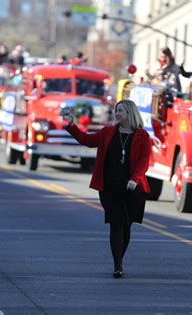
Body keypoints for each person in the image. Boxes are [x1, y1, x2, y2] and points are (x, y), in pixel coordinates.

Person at [64, 99, 152, 278]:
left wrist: (135, 179)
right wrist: (72, 125)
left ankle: (120, 260)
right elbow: (87, 140)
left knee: (126, 226)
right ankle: (117, 265)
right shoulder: (108, 132)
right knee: (116, 223)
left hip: (132, 188)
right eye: (116, 111)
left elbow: (144, 161)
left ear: (130, 113)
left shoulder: (142, 136)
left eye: (120, 111)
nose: (117, 114)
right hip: (110, 187)